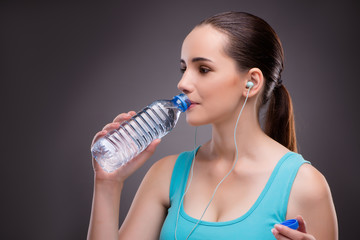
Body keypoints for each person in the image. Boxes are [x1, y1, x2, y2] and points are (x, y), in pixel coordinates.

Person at [87, 11, 338, 240]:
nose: (183, 83)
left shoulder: (305, 186)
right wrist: (108, 184)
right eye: (184, 68)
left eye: (203, 69)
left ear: (251, 82)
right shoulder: (165, 175)